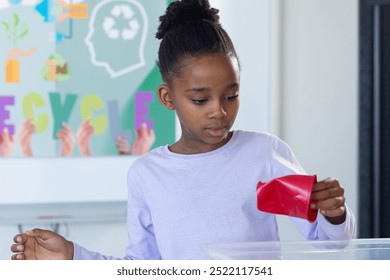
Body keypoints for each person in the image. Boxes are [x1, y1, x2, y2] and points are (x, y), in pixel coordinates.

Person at [10, 0, 356, 260]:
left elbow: (331, 242)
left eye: (231, 96)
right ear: (168, 97)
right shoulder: (148, 174)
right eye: (200, 99)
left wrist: (334, 213)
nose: (219, 111)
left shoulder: (263, 154)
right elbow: (141, 269)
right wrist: (72, 255)